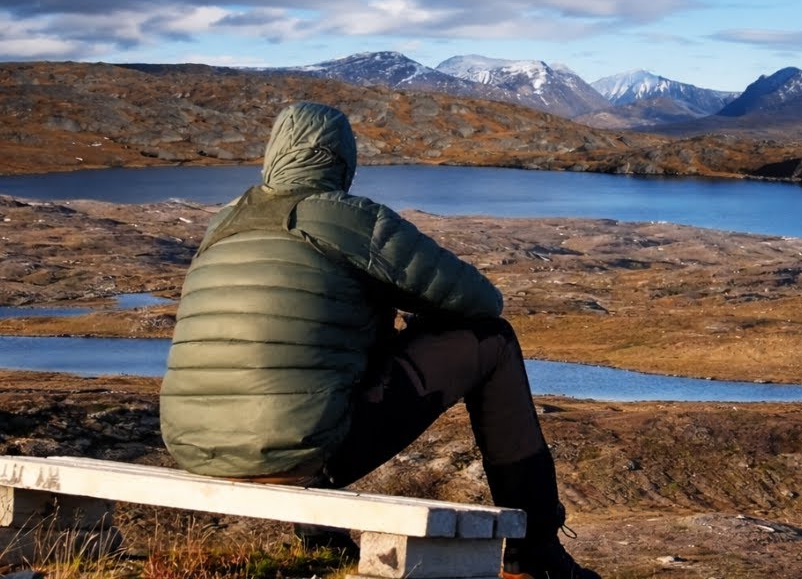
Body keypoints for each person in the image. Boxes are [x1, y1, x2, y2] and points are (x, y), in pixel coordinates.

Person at [159, 101, 600, 579]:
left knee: (312, 353)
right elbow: (480, 300)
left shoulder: (224, 221)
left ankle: (319, 533)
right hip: (304, 452)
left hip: (192, 446)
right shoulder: (347, 218)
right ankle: (533, 553)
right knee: (491, 341)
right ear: (342, 161)